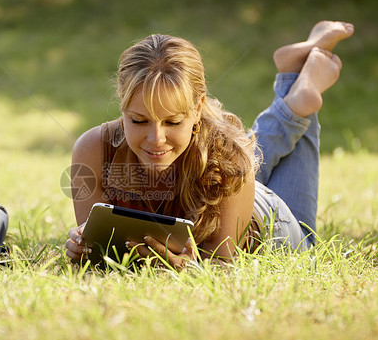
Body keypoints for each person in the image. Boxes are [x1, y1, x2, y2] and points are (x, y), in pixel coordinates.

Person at [65, 21, 354, 269]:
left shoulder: (227, 156)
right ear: (123, 106)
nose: (156, 139)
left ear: (198, 107)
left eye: (173, 122)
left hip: (258, 216)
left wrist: (190, 269)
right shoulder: (93, 150)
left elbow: (223, 266)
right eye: (139, 121)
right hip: (224, 180)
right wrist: (81, 249)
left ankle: (301, 97)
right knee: (232, 155)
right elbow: (95, 252)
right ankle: (293, 86)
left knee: (307, 239)